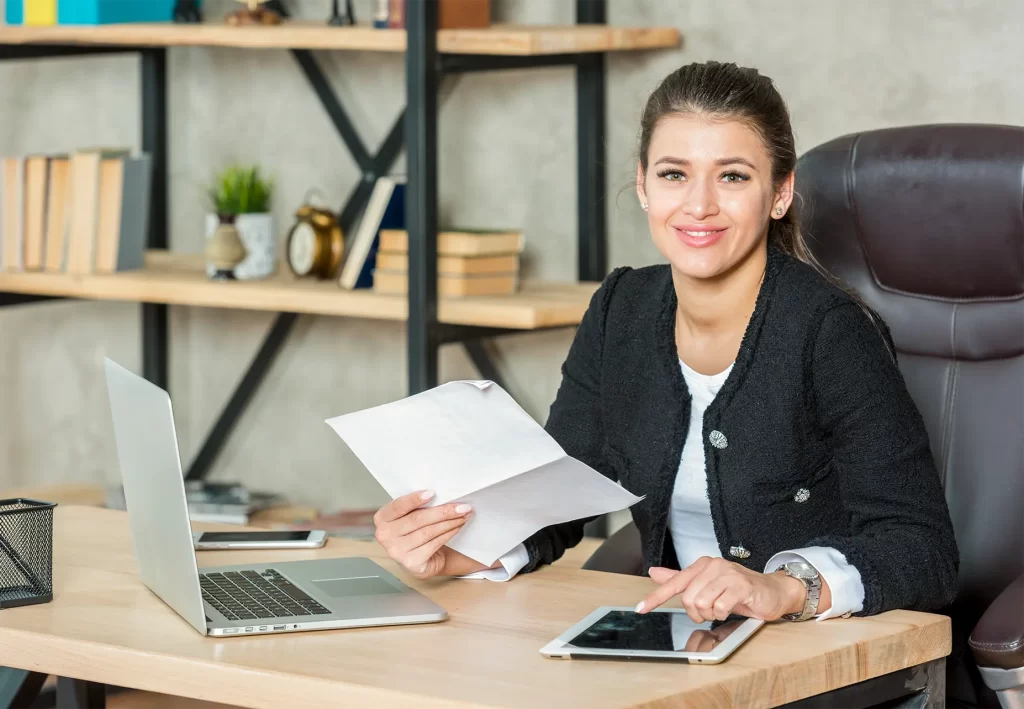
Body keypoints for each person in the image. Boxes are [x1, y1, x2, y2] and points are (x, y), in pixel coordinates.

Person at [371, 60, 959, 624]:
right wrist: (466, 551)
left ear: (779, 194)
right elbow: (560, 492)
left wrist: (780, 588)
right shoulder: (621, 309)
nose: (699, 205)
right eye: (674, 174)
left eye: (733, 176)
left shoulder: (829, 329)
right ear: (644, 186)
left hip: (815, 650)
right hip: (678, 637)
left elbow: (921, 547)